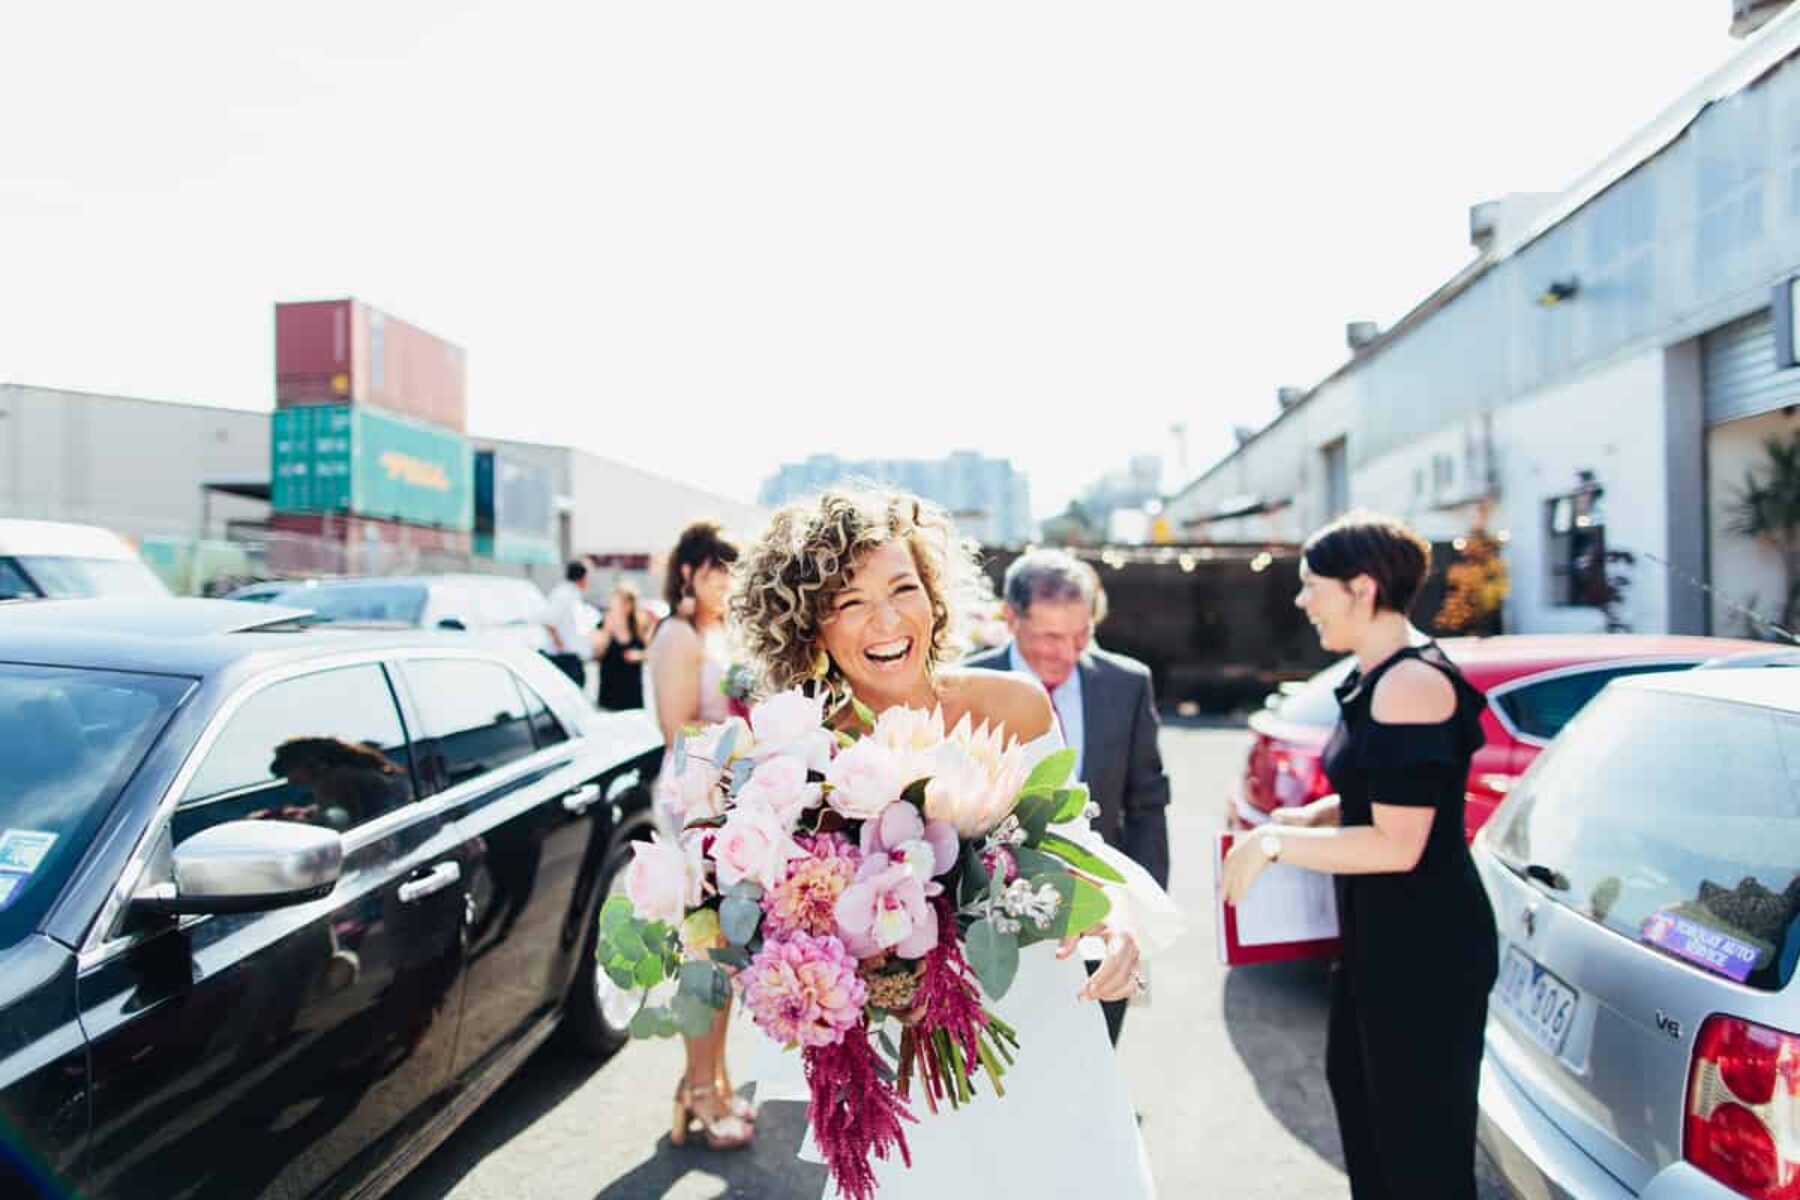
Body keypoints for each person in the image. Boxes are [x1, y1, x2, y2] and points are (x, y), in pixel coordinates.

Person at [732, 487, 1180, 1198]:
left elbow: (1072, 850)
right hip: (904, 1062)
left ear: (935, 599)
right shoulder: (797, 757)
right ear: (809, 625)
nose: (886, 620)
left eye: (903, 588)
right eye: (849, 602)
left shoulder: (1014, 705)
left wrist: (1115, 923)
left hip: (1041, 1021)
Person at [1222, 512, 1497, 1200]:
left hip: (1427, 952)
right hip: (1380, 943)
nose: (1301, 599)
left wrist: (1276, 841)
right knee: (1369, 1123)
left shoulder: (1411, 684)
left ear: (1363, 588)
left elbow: (1398, 843)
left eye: (1312, 584)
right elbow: (1379, 796)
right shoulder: (1374, 674)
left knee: (1420, 1158)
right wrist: (1309, 815)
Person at [962, 549, 1172, 1045]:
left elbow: (1146, 805)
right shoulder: (966, 685)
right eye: (1052, 637)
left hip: (1104, 915)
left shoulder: (1128, 684)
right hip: (995, 925)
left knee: (1098, 1053)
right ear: (1010, 619)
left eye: (1083, 635)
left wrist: (1139, 913)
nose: (1069, 652)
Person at [643, 521, 754, 1151]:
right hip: (694, 802)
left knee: (724, 956)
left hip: (729, 799)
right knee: (702, 957)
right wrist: (755, 740)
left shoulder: (715, 633)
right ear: (687, 572)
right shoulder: (678, 634)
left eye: (730, 571)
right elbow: (676, 730)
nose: (724, 583)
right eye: (714, 570)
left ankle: (712, 1078)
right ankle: (699, 1090)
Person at [541, 560, 595, 694]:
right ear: (582, 577)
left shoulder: (572, 594)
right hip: (564, 658)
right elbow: (549, 621)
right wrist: (561, 645)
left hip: (571, 657)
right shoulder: (563, 594)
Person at [595, 582, 649, 711]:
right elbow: (597, 654)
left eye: (622, 603)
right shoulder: (603, 624)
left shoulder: (639, 625)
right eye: (615, 603)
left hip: (632, 694)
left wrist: (638, 655)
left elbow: (651, 652)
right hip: (609, 695)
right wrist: (607, 632)